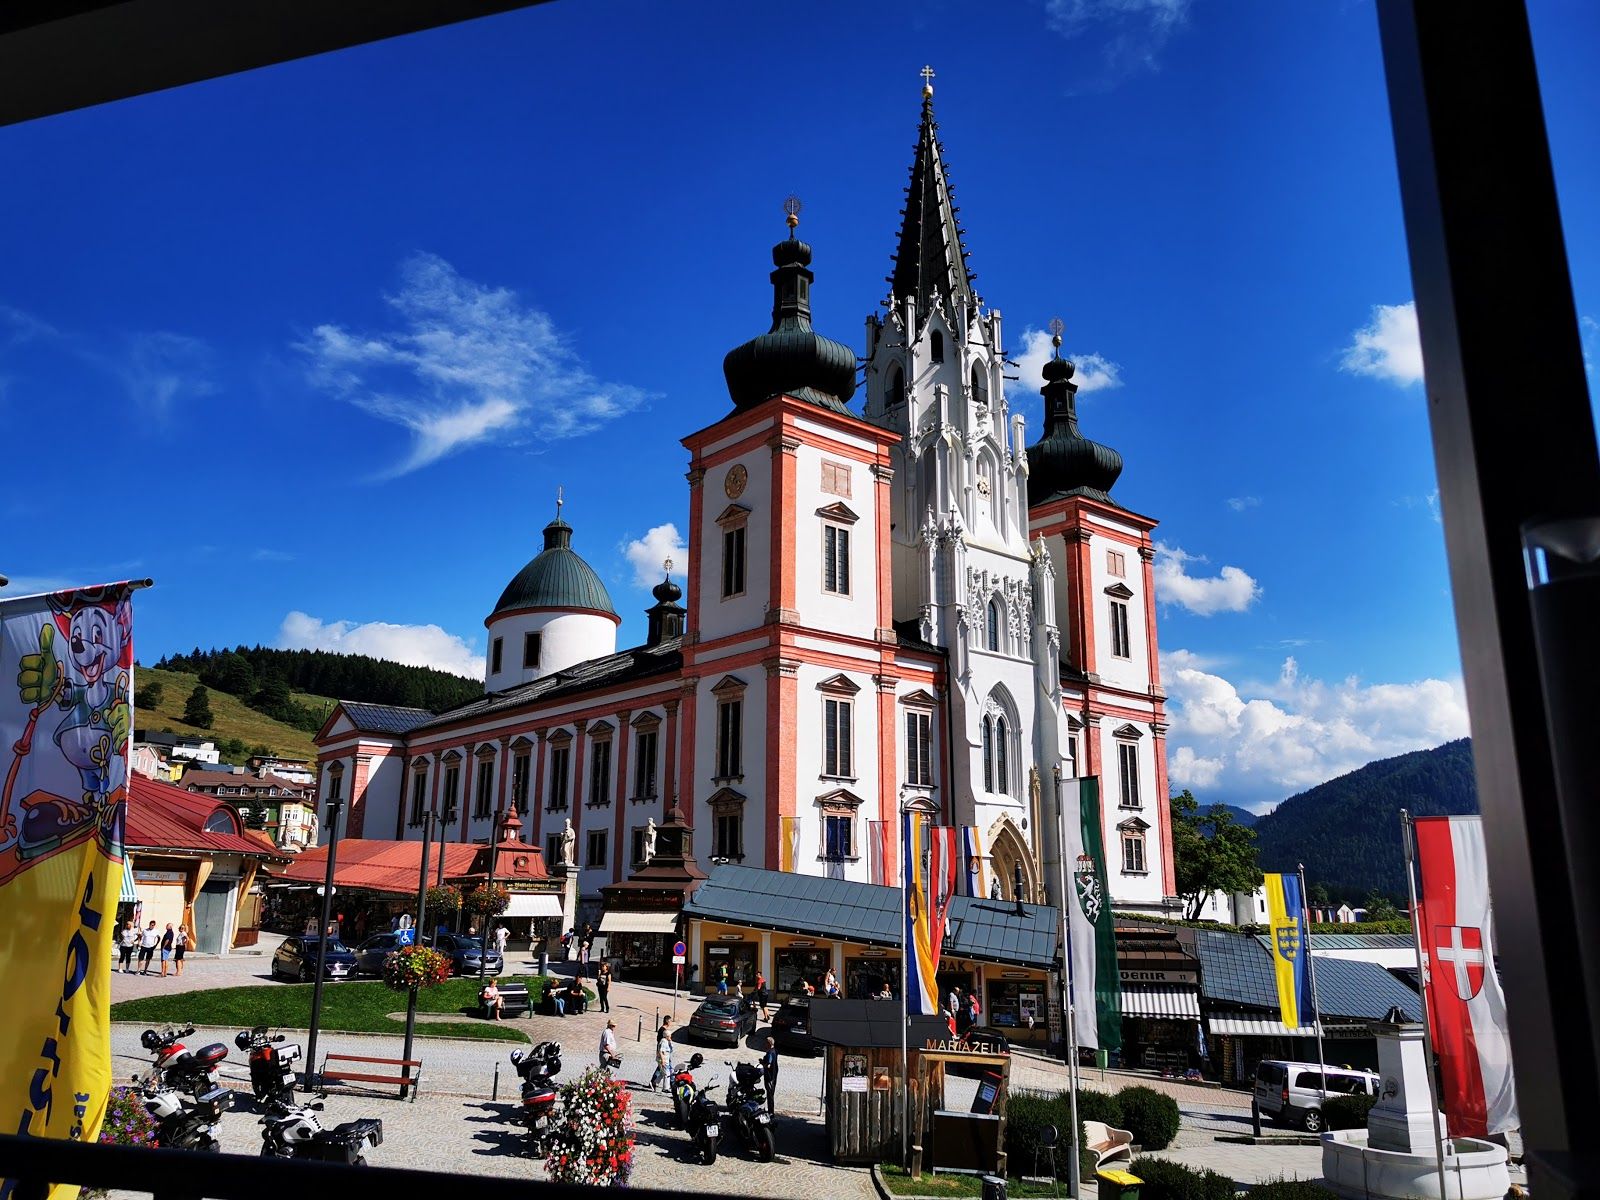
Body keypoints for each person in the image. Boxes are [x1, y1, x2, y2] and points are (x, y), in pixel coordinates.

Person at [652, 1018, 674, 1092]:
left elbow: (671, 1049)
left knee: (662, 1073)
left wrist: (671, 1042)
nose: (671, 1037)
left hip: (665, 1059)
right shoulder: (664, 1041)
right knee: (666, 1073)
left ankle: (654, 1083)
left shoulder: (667, 1041)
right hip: (663, 1059)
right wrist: (663, 1060)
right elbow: (661, 1051)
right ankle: (665, 1088)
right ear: (666, 1036)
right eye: (670, 1036)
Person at [761, 1037, 779, 1117]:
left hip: (769, 1077)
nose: (765, 1044)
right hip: (774, 1076)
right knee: (771, 1094)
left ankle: (771, 1112)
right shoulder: (775, 1051)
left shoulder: (770, 1053)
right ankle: (771, 1111)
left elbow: (768, 1065)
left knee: (770, 1095)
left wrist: (762, 1063)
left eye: (766, 1043)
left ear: (769, 1044)